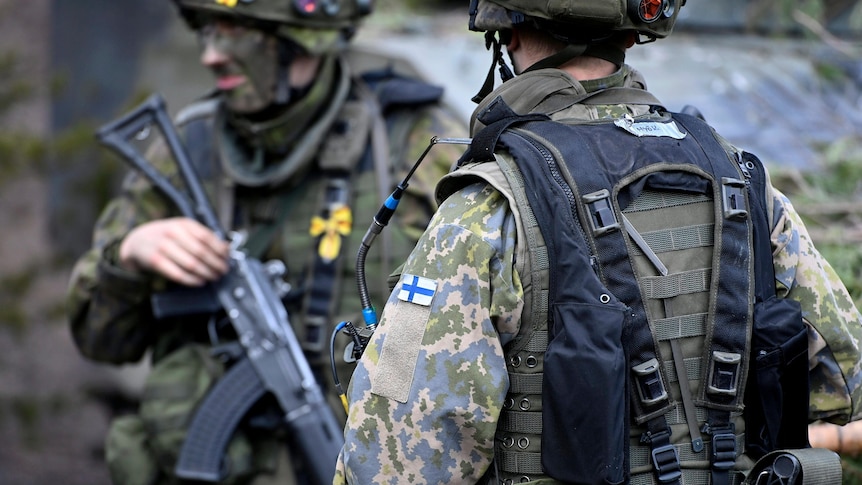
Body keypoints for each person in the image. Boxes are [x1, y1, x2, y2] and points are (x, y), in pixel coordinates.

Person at [335, 1, 862, 483]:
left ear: (509, 30)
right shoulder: (743, 184)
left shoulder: (491, 207)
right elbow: (844, 382)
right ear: (633, 36)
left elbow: (395, 461)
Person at [66, 0, 466, 484]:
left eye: (236, 30)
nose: (212, 55)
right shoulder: (187, 150)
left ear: (303, 36)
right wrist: (130, 255)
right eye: (207, 31)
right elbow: (100, 339)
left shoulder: (413, 146)